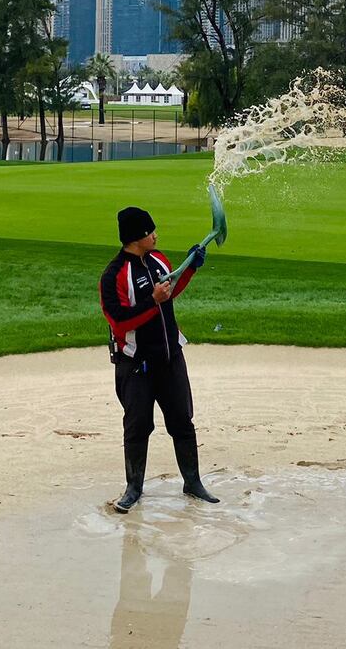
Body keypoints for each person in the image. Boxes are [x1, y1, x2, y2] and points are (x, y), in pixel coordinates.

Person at [99, 205, 220, 513]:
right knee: (138, 428)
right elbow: (119, 321)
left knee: (182, 422)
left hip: (170, 358)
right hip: (136, 365)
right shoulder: (114, 275)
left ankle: (192, 482)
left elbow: (171, 289)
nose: (156, 234)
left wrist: (191, 267)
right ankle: (133, 488)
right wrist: (152, 301)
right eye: (151, 231)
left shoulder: (158, 260)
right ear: (137, 236)